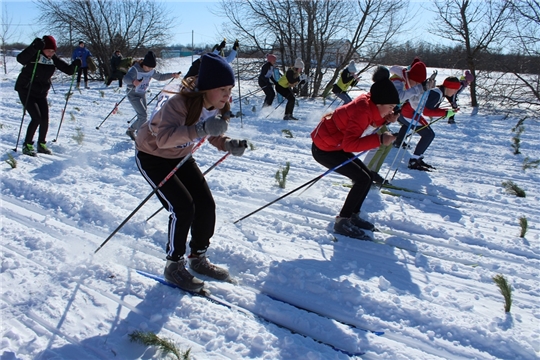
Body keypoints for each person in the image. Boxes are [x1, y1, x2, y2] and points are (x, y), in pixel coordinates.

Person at [135, 52, 248, 292]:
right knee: (183, 207)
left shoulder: (217, 104)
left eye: (230, 89)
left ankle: (197, 258)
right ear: (206, 88)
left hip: (181, 155)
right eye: (223, 89)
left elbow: (211, 131)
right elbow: (165, 139)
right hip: (153, 156)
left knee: (206, 205)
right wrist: (201, 128)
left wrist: (227, 143)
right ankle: (173, 265)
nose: (228, 95)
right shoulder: (178, 103)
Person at [310, 66, 400, 240]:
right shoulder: (362, 111)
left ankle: (352, 216)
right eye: (390, 107)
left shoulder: (370, 103)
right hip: (324, 148)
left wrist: (386, 119)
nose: (392, 111)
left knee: (366, 175)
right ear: (379, 103)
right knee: (362, 178)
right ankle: (342, 221)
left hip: (334, 145)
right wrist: (380, 140)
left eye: (393, 108)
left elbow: (373, 119)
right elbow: (350, 144)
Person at [362, 59, 430, 183]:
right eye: (416, 82)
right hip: (372, 113)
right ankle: (363, 175)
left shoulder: (407, 83)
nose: (415, 85)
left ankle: (373, 173)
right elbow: (397, 97)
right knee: (377, 144)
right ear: (412, 77)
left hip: (381, 115)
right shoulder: (398, 80)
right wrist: (418, 88)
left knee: (386, 145)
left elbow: (410, 102)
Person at [15, 36, 80, 156]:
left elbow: (68, 70)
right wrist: (34, 47)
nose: (51, 53)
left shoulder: (53, 59)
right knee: (36, 117)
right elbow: (20, 59)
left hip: (41, 92)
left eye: (53, 51)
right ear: (43, 49)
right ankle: (27, 145)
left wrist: (75, 65)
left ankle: (41, 144)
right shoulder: (34, 54)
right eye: (49, 50)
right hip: (26, 90)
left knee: (45, 118)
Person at [396, 76, 461, 171]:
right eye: (455, 90)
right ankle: (414, 161)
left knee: (429, 134)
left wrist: (448, 111)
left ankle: (417, 158)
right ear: (449, 87)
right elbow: (427, 112)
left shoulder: (439, 93)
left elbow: (431, 109)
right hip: (408, 113)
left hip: (412, 112)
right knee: (428, 135)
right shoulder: (436, 94)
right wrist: (446, 113)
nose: (455, 92)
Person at [123, 51, 180, 140]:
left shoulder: (151, 71)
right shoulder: (135, 69)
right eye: (148, 67)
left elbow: (160, 77)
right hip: (133, 94)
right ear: (144, 64)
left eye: (151, 68)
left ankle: (131, 130)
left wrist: (172, 75)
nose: (149, 69)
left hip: (142, 94)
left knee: (142, 115)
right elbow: (125, 79)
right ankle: (140, 136)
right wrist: (133, 81)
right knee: (143, 115)